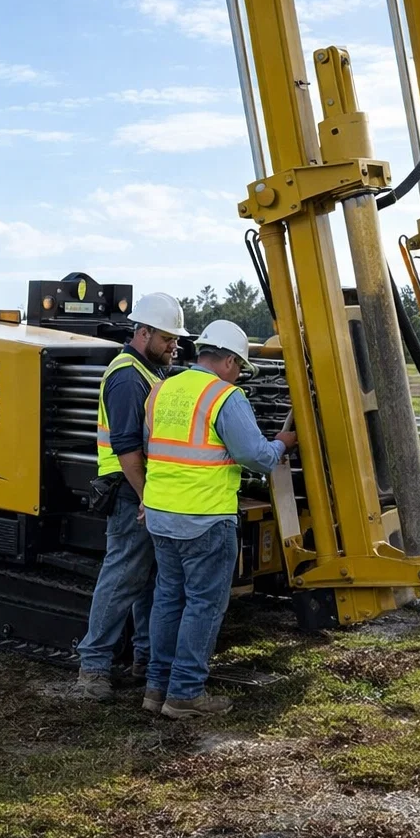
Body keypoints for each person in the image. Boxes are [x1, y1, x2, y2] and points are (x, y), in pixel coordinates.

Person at [140, 318, 297, 720]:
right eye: (240, 367)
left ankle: (156, 690)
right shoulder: (224, 397)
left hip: (161, 514)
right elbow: (256, 456)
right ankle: (185, 694)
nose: (240, 374)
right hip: (205, 519)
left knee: (167, 600)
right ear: (227, 361)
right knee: (203, 606)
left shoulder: (162, 390)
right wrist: (283, 442)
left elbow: (153, 446)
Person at [73, 291, 186, 701]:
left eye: (176, 338)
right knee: (122, 577)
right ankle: (93, 668)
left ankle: (143, 658)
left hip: (140, 491)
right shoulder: (126, 377)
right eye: (168, 338)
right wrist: (145, 496)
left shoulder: (149, 372)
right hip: (128, 492)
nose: (175, 345)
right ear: (144, 332)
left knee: (147, 581)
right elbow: (126, 449)